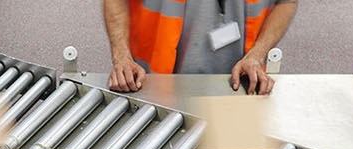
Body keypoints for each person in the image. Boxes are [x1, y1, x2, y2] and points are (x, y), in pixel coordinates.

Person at [103, 0, 298, 95]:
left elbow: (286, 2)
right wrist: (122, 59)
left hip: (242, 89)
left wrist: (257, 55)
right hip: (154, 87)